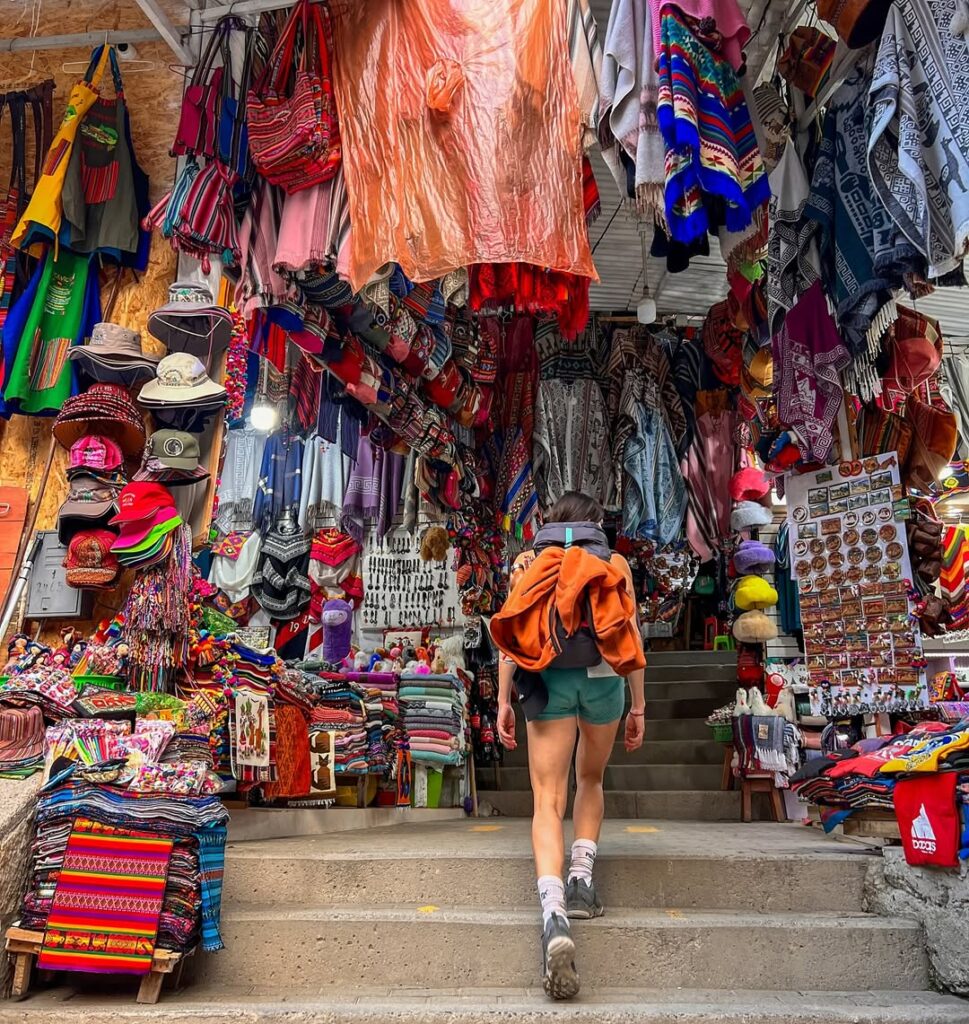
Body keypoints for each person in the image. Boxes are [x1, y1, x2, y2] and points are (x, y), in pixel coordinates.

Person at [491, 491, 646, 1000]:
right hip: (604, 680)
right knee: (591, 778)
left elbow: (513, 635)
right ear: (597, 523)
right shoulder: (615, 561)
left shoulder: (529, 562)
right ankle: (582, 880)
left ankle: (554, 914)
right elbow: (631, 632)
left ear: (548, 522)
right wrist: (638, 706)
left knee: (547, 797)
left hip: (549, 679)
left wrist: (502, 702)